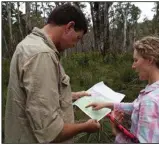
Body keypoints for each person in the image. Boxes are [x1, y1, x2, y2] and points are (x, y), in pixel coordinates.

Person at [4, 4, 101, 143]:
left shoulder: (29, 45)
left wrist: (73, 96)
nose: (75, 44)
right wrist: (85, 127)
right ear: (69, 27)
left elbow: (34, 96)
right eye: (78, 38)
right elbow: (50, 131)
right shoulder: (42, 55)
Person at [86, 36, 159, 143]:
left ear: (150, 60)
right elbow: (136, 106)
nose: (133, 66)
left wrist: (116, 130)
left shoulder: (151, 101)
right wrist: (108, 104)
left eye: (136, 60)